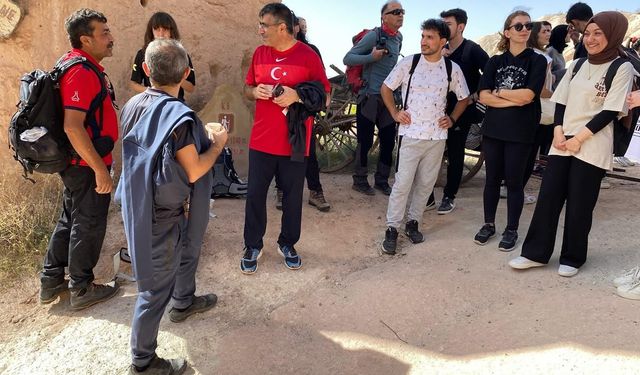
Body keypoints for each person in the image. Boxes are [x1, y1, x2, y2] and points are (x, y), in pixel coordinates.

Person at [119, 39, 227, 374]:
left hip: (137, 200)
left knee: (185, 252)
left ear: (147, 70)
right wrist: (217, 144)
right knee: (153, 290)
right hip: (161, 212)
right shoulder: (180, 118)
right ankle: (143, 361)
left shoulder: (133, 104)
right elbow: (195, 169)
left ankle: (183, 301)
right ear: (186, 73)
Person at [509, 11, 634, 278]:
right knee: (548, 198)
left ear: (613, 34)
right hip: (562, 141)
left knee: (580, 203)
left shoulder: (621, 67)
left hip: (592, 144)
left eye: (598, 33)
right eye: (588, 33)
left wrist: (578, 138)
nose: (590, 39)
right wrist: (557, 131)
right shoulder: (577, 64)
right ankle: (535, 253)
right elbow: (561, 101)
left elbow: (611, 110)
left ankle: (573, 257)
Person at [38, 8, 120, 310]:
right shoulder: (81, 72)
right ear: (85, 39)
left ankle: (51, 280)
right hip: (86, 164)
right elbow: (73, 126)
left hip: (76, 163)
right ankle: (82, 288)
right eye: (104, 33)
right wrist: (100, 169)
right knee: (89, 222)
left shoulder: (74, 63)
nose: (110, 38)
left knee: (71, 217)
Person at [240, 3, 330, 274]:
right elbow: (247, 88)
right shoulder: (259, 54)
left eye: (263, 25)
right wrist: (255, 92)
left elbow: (324, 95)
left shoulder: (308, 55)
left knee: (292, 197)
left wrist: (297, 95)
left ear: (282, 27)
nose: (259, 31)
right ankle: (252, 245)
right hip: (262, 140)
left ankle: (288, 243)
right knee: (255, 195)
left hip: (295, 141)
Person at [380, 19, 470, 254]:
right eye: (423, 36)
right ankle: (392, 228)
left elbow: (464, 97)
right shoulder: (410, 63)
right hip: (410, 135)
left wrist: (452, 119)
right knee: (402, 184)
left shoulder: (452, 69)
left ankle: (413, 223)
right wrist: (394, 112)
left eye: (430, 37)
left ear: (442, 41)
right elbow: (386, 88)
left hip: (437, 138)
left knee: (425, 185)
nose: (424, 41)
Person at [473, 10, 547, 251]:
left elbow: (528, 96)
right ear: (507, 32)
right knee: (492, 180)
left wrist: (500, 93)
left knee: (515, 183)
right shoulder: (495, 62)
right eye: (518, 26)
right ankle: (488, 224)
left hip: (521, 132)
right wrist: (511, 99)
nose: (525, 29)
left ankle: (511, 229)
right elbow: (483, 96)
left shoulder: (537, 61)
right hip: (494, 130)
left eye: (528, 25)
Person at [430, 8, 489, 214]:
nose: (443, 27)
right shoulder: (441, 49)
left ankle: (449, 196)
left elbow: (490, 72)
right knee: (430, 151)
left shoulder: (472, 49)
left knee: (455, 152)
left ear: (461, 27)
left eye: (448, 24)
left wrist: (475, 95)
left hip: (462, 110)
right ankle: (427, 197)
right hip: (437, 111)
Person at [343, 1, 404, 195]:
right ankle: (359, 180)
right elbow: (348, 58)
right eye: (395, 12)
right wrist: (372, 57)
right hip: (369, 96)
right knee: (365, 140)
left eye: (402, 12)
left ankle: (381, 180)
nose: (400, 15)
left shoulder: (399, 38)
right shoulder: (373, 36)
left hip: (388, 98)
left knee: (388, 140)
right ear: (384, 17)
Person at [274, 15, 331, 212]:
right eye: (298, 24)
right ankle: (281, 190)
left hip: (304, 107)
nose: (301, 28)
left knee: (309, 151)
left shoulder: (311, 51)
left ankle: (315, 191)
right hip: (279, 107)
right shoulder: (277, 49)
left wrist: (323, 98)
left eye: (302, 25)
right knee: (280, 148)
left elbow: (321, 78)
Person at [130, 11, 195, 102]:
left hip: (176, 103)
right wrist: (153, 92)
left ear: (171, 31)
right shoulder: (142, 54)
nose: (161, 34)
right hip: (151, 102)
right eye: (156, 29)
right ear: (151, 31)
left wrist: (177, 77)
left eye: (165, 29)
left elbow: (191, 88)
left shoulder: (181, 55)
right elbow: (134, 83)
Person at [547, 24, 570, 90]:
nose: (570, 35)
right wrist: (567, 71)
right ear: (562, 34)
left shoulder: (558, 51)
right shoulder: (551, 51)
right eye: (568, 33)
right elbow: (545, 75)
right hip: (551, 93)